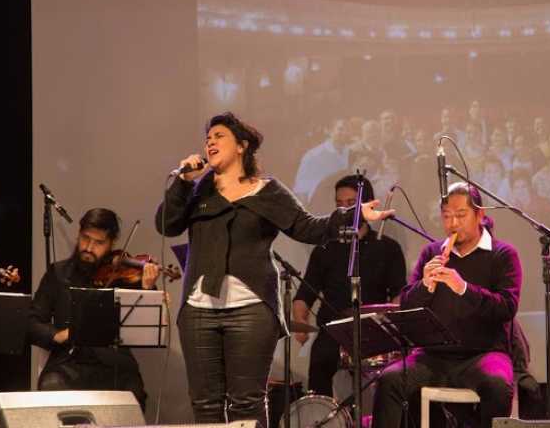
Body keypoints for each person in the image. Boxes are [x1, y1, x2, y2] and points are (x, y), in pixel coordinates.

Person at [155, 111, 391, 425]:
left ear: (241, 146)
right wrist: (183, 183)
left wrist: (354, 215)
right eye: (207, 138)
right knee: (206, 405)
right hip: (199, 310)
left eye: (219, 136)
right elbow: (166, 224)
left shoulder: (267, 191)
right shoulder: (199, 191)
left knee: (246, 404)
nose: (210, 142)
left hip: (250, 309)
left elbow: (308, 227)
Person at [372, 183, 522, 428]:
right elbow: (406, 307)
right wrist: (424, 285)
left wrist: (463, 287)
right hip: (432, 355)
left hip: (484, 354)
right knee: (389, 380)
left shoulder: (503, 254)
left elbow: (506, 308)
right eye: (447, 216)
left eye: (461, 215)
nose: (453, 224)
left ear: (480, 215)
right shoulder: (432, 251)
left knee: (497, 385)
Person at [291, 175, 408, 398]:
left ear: (367, 205)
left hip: (373, 331)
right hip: (333, 331)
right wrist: (300, 321)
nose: (345, 211)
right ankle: (322, 417)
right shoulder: (325, 248)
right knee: (320, 360)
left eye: (351, 204)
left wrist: (391, 327)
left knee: (392, 377)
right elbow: (304, 294)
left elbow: (398, 295)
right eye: (339, 205)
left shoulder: (388, 248)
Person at [29, 208, 157, 410]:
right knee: (52, 387)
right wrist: (58, 335)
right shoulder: (58, 273)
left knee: (133, 394)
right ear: (78, 234)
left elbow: (146, 324)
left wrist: (148, 288)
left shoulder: (125, 276)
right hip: (68, 361)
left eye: (99, 243)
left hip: (114, 362)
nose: (89, 247)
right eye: (85, 238)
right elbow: (33, 322)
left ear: (111, 243)